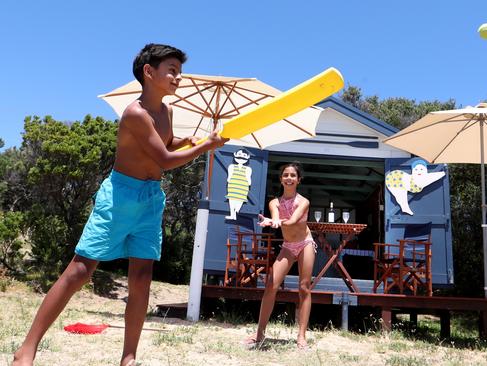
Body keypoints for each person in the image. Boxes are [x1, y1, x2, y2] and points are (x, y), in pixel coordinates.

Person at [12, 44, 228, 366]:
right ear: (149, 72)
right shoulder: (135, 113)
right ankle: (26, 349)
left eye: (179, 71)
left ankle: (128, 358)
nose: (177, 77)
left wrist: (190, 141)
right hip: (119, 196)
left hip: (150, 199)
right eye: (171, 69)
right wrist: (204, 148)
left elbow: (167, 145)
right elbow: (165, 159)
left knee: (141, 277)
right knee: (80, 272)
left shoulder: (166, 112)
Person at [243, 162, 316, 350]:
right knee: (271, 285)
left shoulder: (304, 201)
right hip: (288, 246)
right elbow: (276, 215)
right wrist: (272, 220)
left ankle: (301, 336)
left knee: (304, 287)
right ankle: (259, 334)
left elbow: (291, 221)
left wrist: (275, 221)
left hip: (305, 243)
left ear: (299, 180)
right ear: (281, 179)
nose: (289, 178)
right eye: (285, 175)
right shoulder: (274, 202)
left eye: (293, 175)